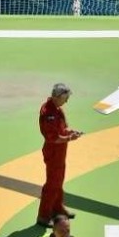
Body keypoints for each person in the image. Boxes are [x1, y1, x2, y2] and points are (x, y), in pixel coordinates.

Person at [37, 83, 83, 228]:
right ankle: (43, 216)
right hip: (53, 152)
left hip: (60, 151)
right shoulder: (49, 113)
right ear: (58, 97)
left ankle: (57, 209)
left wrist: (70, 132)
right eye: (65, 98)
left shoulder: (57, 110)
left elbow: (63, 128)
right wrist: (70, 138)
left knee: (59, 181)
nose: (66, 101)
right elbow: (53, 138)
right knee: (52, 184)